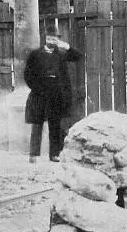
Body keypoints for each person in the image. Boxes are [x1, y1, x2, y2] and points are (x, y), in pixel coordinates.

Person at [24, 34, 83, 163]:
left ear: (58, 40)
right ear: (45, 39)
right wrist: (36, 87)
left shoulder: (61, 54)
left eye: (54, 39)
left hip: (56, 95)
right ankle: (33, 155)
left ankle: (54, 154)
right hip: (39, 94)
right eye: (49, 38)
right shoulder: (35, 54)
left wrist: (66, 46)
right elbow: (27, 74)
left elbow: (78, 57)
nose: (51, 41)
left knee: (55, 125)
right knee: (37, 124)